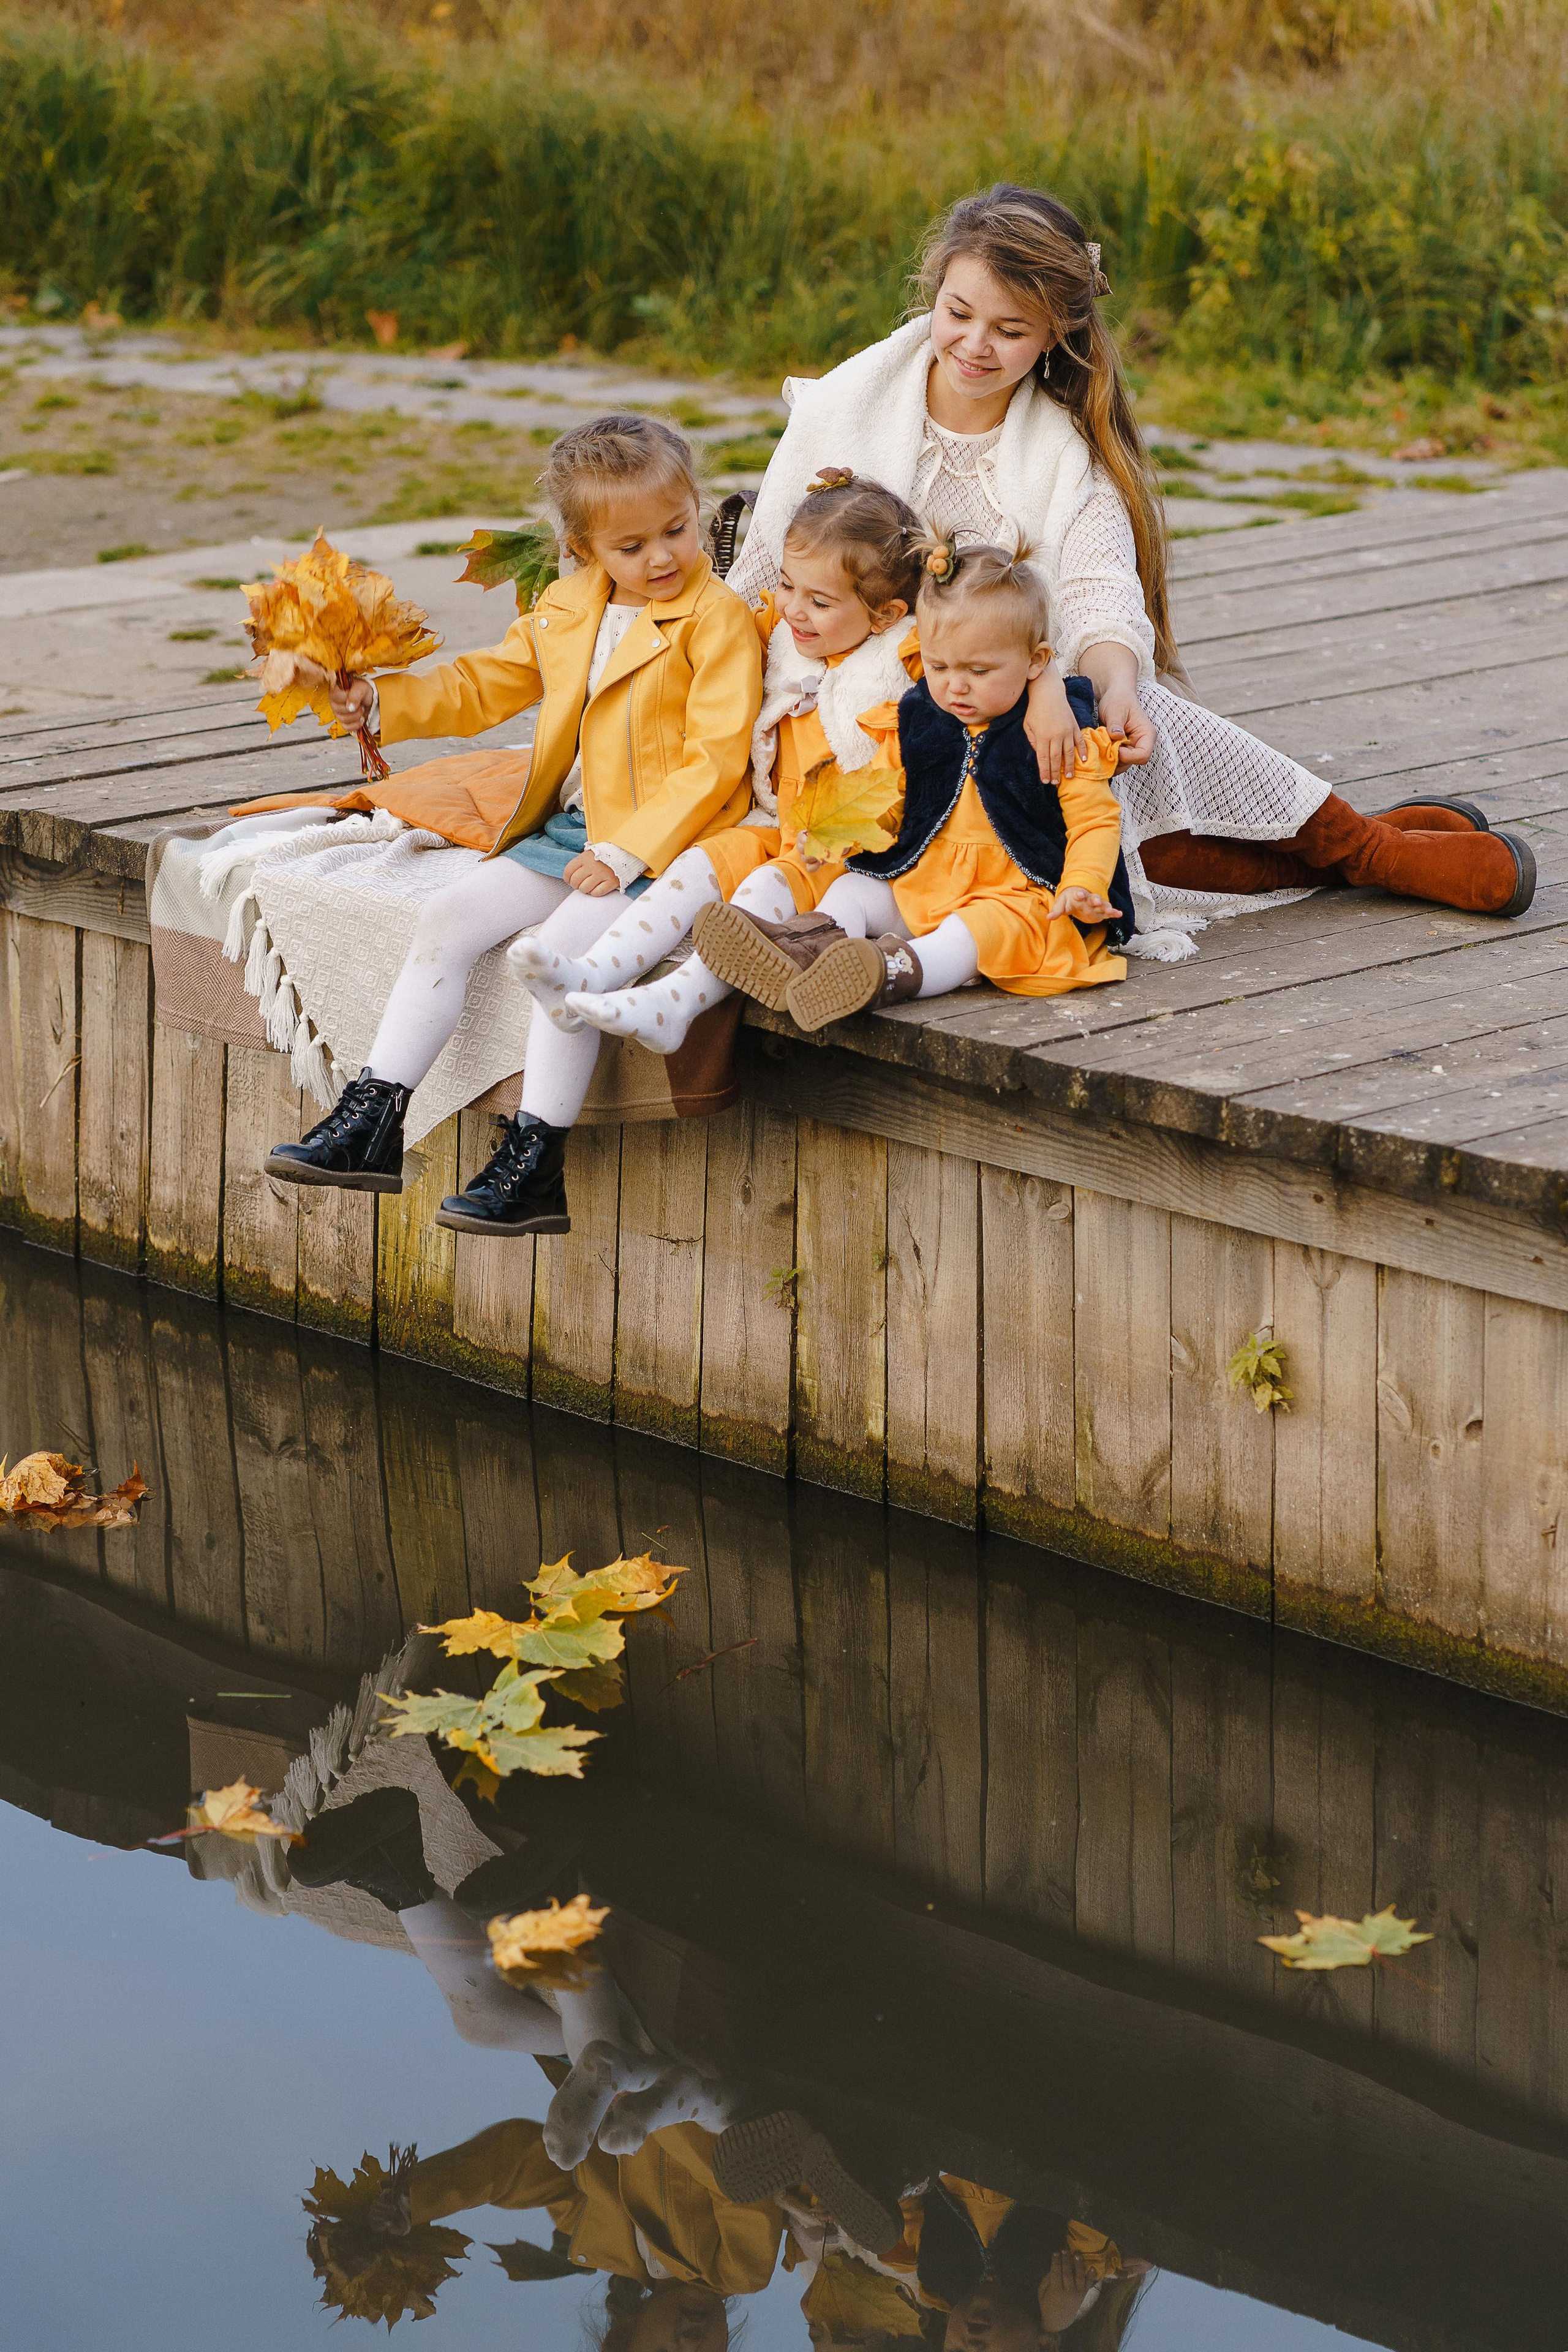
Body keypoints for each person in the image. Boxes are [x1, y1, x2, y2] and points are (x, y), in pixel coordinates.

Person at [725, 183, 1535, 952]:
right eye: (959, 313)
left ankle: (1374, 851)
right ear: (932, 295)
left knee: (1119, 729)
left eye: (1010, 330)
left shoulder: (1061, 454)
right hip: (872, 711)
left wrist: (1108, 684)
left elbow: (1097, 593)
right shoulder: (845, 406)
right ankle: (1372, 846)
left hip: (1011, 697)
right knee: (1159, 860)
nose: (975, 345)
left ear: (1053, 337)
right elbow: (766, 565)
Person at [262, 410, 762, 1232]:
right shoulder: (570, 608)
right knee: (447, 918)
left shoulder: (716, 621)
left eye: (676, 530)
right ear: (582, 549)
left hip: (667, 839)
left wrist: (627, 850)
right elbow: (482, 684)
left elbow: (714, 762)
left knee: (559, 959)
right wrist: (383, 699)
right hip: (571, 830)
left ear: (695, 510)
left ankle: (535, 1165)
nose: (662, 557)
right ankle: (373, 1119)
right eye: (631, 547)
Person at [507, 469, 925, 1055]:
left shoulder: (899, 667)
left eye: (820, 601)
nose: (794, 611)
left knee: (761, 890)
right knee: (699, 862)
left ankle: (676, 1001)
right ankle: (594, 972)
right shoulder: (777, 634)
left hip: (843, 849)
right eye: (786, 586)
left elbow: (909, 776)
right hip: (769, 822)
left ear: (884, 615)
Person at [691, 538, 1133, 1030]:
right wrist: (838, 836)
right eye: (939, 666)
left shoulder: (1058, 735)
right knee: (856, 888)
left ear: (1036, 662)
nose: (955, 686)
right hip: (925, 878)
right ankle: (809, 949)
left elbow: (1095, 821)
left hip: (1016, 897)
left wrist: (1081, 885)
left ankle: (887, 975)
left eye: (978, 671)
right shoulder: (920, 721)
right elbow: (882, 795)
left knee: (974, 931)